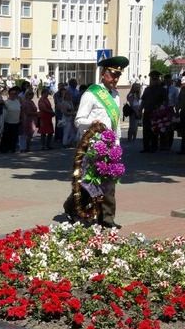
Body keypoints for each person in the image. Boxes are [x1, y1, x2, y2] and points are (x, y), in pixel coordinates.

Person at [62, 56, 129, 229]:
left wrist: (117, 144)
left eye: (118, 76)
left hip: (109, 148)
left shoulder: (115, 96)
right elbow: (79, 120)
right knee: (88, 183)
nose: (115, 79)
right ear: (103, 73)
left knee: (109, 183)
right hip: (92, 146)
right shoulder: (91, 94)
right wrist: (94, 124)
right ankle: (72, 207)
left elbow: (116, 123)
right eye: (112, 74)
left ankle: (107, 218)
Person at [139, 70, 166, 153]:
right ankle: (146, 147)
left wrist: (161, 110)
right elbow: (143, 100)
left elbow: (165, 101)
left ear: (158, 79)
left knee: (155, 130)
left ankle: (154, 147)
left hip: (156, 113)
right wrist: (140, 109)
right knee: (146, 130)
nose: (154, 81)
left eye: (156, 79)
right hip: (147, 112)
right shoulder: (147, 89)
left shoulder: (162, 90)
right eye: (153, 79)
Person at [0, 86, 22, 153]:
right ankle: (4, 149)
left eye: (15, 94)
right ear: (9, 94)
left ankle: (13, 149)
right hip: (8, 122)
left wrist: (20, 118)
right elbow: (4, 114)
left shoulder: (17, 101)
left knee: (14, 137)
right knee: (7, 137)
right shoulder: (6, 102)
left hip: (16, 122)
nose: (13, 95)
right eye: (12, 94)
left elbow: (19, 110)